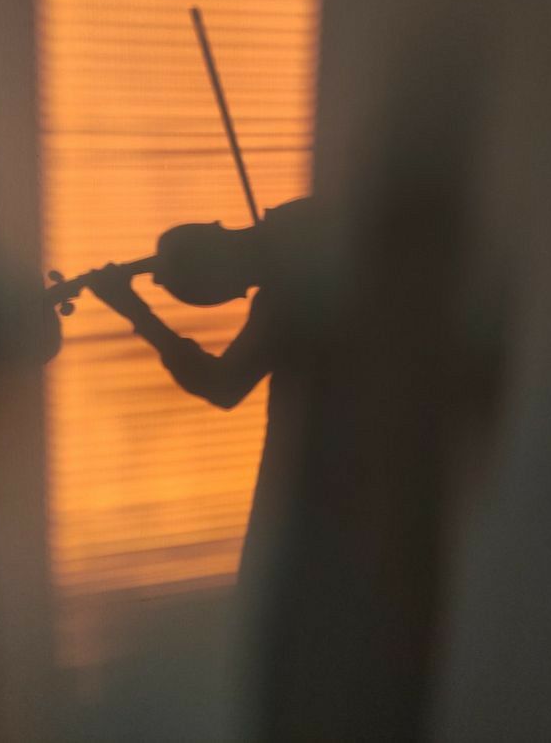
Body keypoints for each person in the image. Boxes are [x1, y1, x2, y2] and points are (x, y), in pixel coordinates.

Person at [85, 196, 330, 736]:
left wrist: (138, 315)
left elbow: (221, 386)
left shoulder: (284, 294)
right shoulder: (291, 263)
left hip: (314, 480)